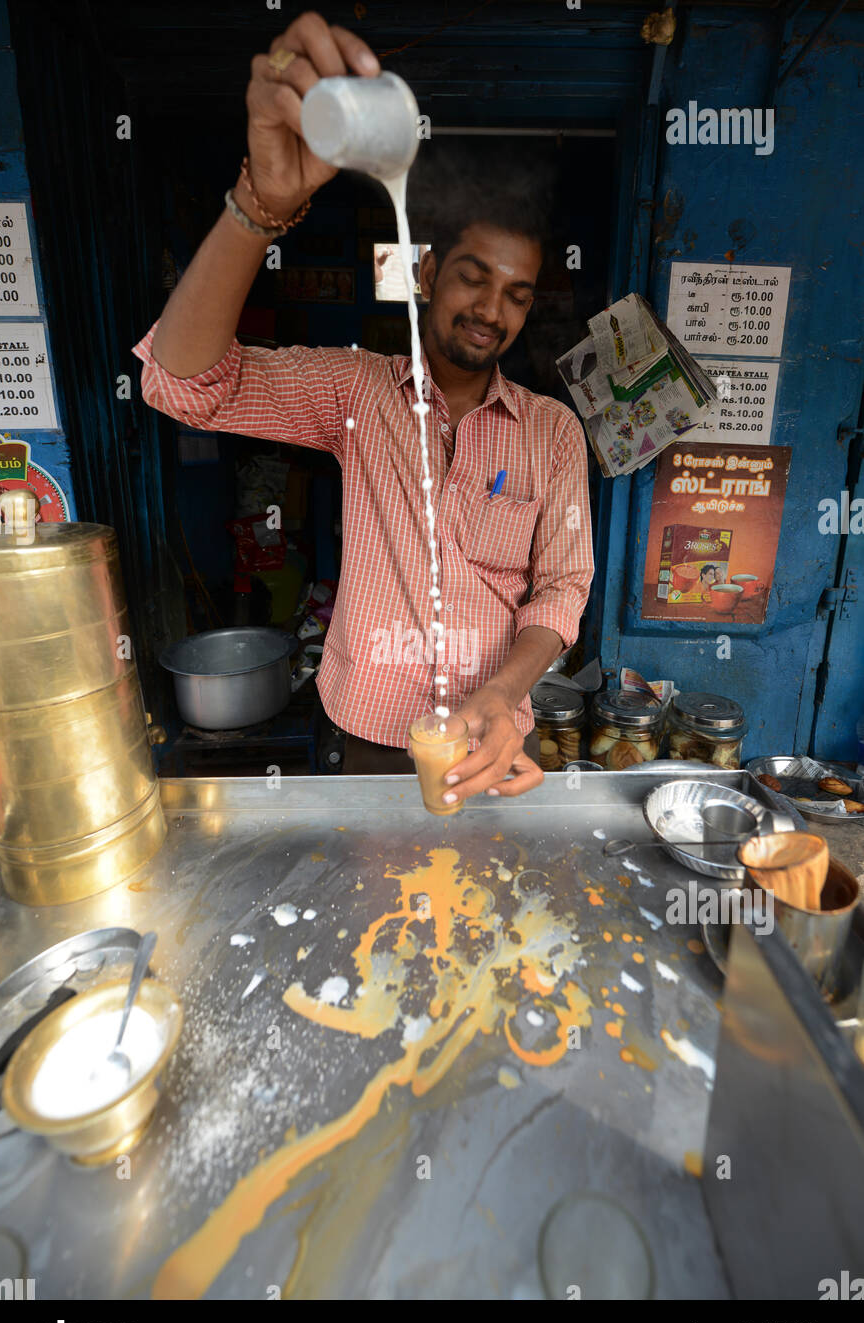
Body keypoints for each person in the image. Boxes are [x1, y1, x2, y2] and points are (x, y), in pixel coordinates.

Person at [133, 11, 593, 808]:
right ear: (424, 275)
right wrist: (259, 207)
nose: (492, 309)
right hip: (369, 736)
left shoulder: (553, 432)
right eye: (473, 277)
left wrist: (504, 693)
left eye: (517, 294)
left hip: (492, 741)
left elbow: (561, 589)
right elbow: (184, 384)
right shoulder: (354, 392)